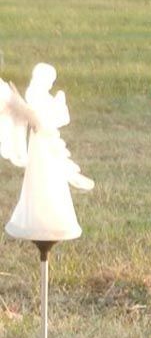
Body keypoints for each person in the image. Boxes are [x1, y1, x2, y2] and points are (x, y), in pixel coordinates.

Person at [1, 64, 93, 242]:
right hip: (41, 148)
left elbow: (58, 119)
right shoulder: (34, 98)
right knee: (42, 181)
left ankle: (54, 219)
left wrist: (58, 103)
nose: (50, 84)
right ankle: (40, 219)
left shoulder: (42, 98)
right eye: (48, 80)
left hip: (46, 145)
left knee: (53, 182)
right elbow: (41, 123)